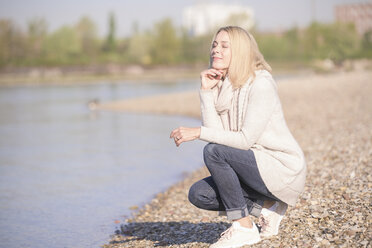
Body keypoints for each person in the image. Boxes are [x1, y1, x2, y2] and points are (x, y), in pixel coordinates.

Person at [170, 26, 306, 248]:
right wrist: (206, 92)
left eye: (224, 46)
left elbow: (243, 141)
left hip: (279, 168)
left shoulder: (261, 83)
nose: (216, 50)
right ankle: (266, 210)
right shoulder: (223, 86)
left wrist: (198, 132)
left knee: (212, 152)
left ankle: (243, 227)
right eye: (215, 45)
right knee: (199, 194)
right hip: (253, 167)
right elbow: (218, 139)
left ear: (241, 52)